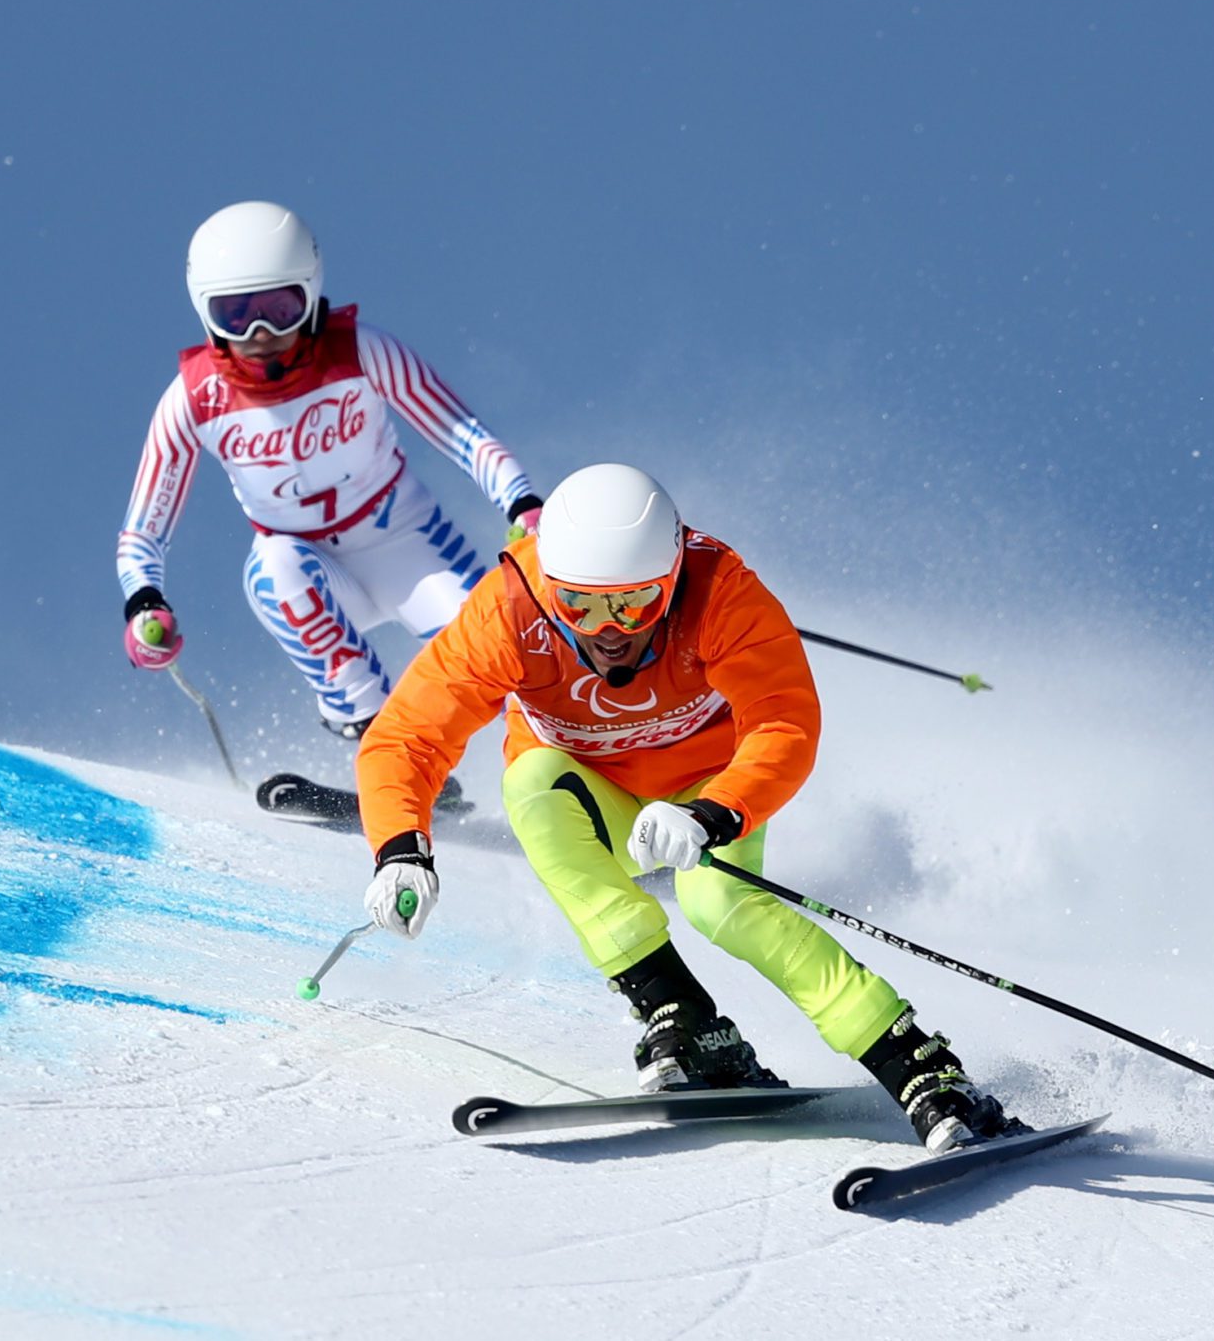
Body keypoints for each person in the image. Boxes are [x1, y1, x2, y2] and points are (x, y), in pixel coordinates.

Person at [348, 462, 1018, 1150]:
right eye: (581, 605)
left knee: (721, 905)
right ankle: (684, 1020)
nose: (609, 631)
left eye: (633, 604)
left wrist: (714, 813)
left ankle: (922, 1069)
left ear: (668, 582)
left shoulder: (721, 593)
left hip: (708, 790)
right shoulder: (510, 610)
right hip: (595, 802)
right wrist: (399, 845)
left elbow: (784, 723)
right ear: (553, 590)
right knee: (531, 785)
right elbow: (407, 735)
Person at [116, 201, 542, 754]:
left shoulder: (361, 352)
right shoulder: (194, 400)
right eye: (235, 314)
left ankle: (578, 766)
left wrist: (522, 505)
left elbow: (462, 433)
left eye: (279, 306)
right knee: (271, 569)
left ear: (311, 293)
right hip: (312, 573)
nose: (262, 332)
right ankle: (382, 741)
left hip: (410, 547)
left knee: (513, 667)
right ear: (205, 315)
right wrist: (144, 601)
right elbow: (143, 531)